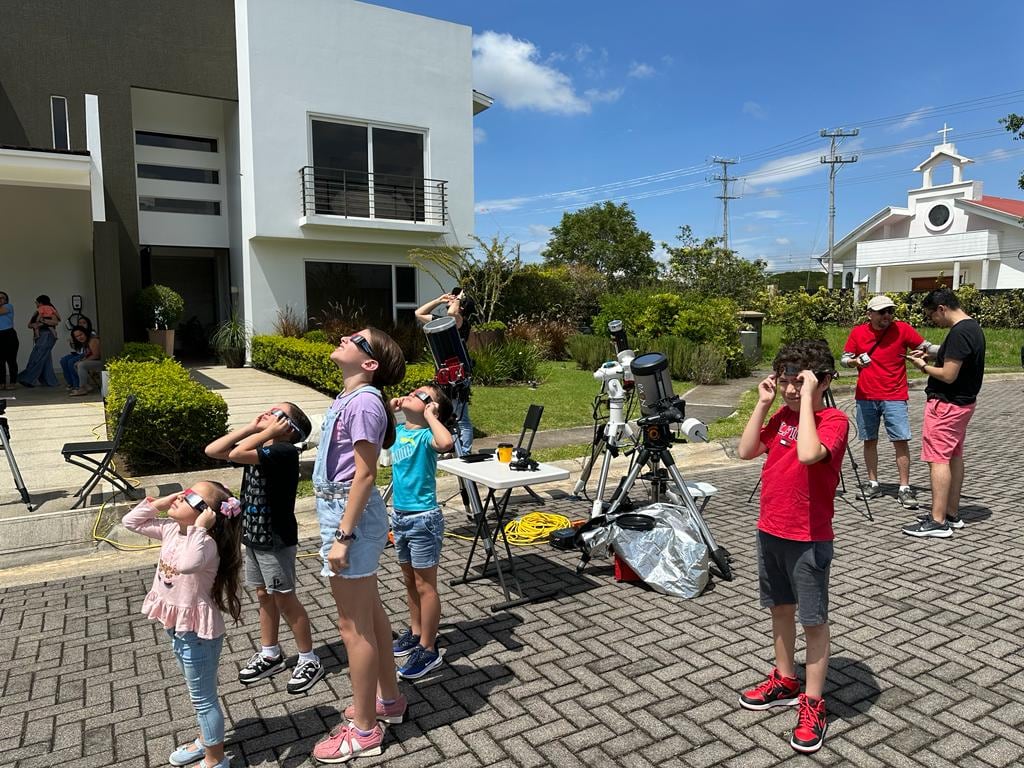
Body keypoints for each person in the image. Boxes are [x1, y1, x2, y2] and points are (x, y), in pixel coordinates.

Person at [736, 339, 849, 755]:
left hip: (809, 539)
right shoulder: (780, 414)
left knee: (813, 622)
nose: (790, 389)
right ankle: (785, 678)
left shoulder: (834, 421)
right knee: (780, 609)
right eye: (785, 380)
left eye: (799, 381)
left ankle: (814, 703)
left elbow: (807, 454)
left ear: (823, 381)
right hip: (771, 531)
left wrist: (806, 401)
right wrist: (763, 404)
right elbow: (746, 451)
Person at [311, 328, 408, 764]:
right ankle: (388, 700)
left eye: (357, 339)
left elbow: (365, 475)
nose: (346, 338)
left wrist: (343, 536)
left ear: (369, 364)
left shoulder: (365, 401)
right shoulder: (354, 399)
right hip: (344, 512)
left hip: (348, 517)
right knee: (369, 615)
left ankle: (365, 730)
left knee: (353, 626)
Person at [204, 402, 326, 695]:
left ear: (289, 428)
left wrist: (267, 431)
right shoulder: (262, 449)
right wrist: (251, 427)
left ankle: (309, 658)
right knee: (263, 596)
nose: (269, 414)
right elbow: (214, 450)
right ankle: (270, 653)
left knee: (284, 599)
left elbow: (235, 453)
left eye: (277, 413)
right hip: (255, 537)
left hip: (276, 539)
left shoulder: (284, 452)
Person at [121, 482, 243, 768]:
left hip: (197, 633)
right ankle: (205, 740)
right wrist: (161, 502)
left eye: (192, 497)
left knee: (203, 699)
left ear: (206, 514)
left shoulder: (206, 543)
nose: (182, 496)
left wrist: (200, 528)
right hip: (177, 627)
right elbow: (130, 522)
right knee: (198, 694)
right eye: (185, 491)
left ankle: (215, 759)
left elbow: (188, 564)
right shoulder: (171, 530)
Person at [902, 288, 986, 538]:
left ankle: (938, 522)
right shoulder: (972, 327)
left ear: (941, 308)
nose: (933, 322)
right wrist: (932, 354)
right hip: (964, 403)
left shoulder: (959, 332)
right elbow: (957, 356)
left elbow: (949, 375)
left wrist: (924, 366)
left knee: (937, 458)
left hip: (947, 405)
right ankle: (951, 512)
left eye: (932, 316)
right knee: (953, 456)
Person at [387, 383, 454, 680]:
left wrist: (432, 416)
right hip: (400, 516)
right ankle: (415, 632)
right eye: (413, 391)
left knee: (426, 585)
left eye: (421, 395)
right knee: (409, 580)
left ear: (431, 407)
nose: (412, 395)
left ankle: (429, 647)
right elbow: (381, 437)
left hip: (424, 519)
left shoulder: (428, 435)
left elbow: (447, 442)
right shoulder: (401, 431)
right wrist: (390, 412)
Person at [841, 295, 932, 509]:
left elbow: (927, 346)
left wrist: (924, 352)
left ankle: (904, 488)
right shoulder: (858, 332)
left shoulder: (902, 329)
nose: (887, 316)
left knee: (900, 440)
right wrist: (855, 361)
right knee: (869, 440)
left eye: (890, 311)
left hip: (895, 395)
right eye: (882, 312)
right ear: (869, 314)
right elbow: (844, 359)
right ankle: (873, 483)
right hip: (866, 396)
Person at [415, 286, 475, 454]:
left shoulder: (460, 322)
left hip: (458, 377)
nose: (452, 298)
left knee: (461, 418)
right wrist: (438, 300)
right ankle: (449, 447)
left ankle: (464, 451)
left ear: (462, 307)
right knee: (444, 413)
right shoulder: (441, 320)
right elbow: (418, 313)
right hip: (443, 375)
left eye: (456, 299)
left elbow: (451, 315)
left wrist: (457, 300)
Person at [17, 294, 61, 387]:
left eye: (37, 302)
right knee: (45, 358)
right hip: (41, 336)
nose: (36, 304)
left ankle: (27, 378)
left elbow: (55, 322)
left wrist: (42, 322)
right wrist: (36, 325)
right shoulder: (38, 312)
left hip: (47, 335)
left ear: (40, 302)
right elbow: (30, 324)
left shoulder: (48, 311)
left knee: (38, 357)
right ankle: (50, 381)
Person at [67, 326, 103, 396]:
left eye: (81, 334)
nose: (79, 337)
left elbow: (96, 355)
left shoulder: (93, 340)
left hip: (102, 362)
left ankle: (82, 388)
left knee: (81, 365)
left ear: (85, 333)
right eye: (77, 336)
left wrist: (82, 361)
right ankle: (86, 385)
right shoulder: (85, 342)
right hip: (95, 362)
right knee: (75, 364)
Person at [0, 292, 17, 390]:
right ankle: (1, 383)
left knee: (11, 360)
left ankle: (12, 382)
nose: (0, 299)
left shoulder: (8, 306)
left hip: (9, 335)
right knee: (0, 361)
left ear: (6, 300)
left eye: (2, 298)